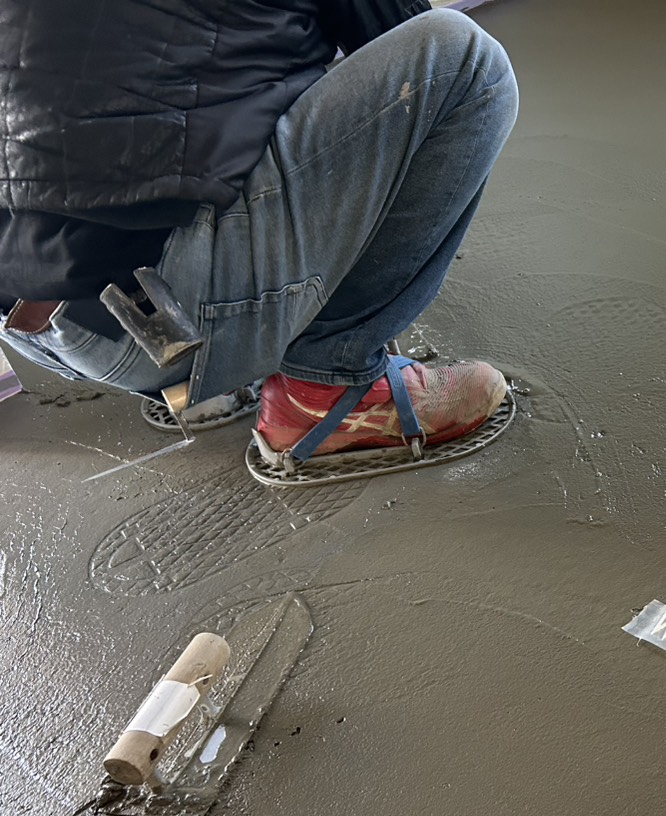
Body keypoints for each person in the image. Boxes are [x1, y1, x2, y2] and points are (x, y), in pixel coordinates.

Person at [0, 0, 518, 475]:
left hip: (38, 329)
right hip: (168, 320)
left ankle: (209, 387)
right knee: (465, 60)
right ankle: (327, 386)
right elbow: (399, 34)